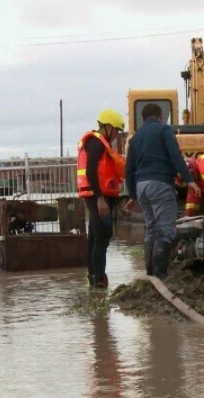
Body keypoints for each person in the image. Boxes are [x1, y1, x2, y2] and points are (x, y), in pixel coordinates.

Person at [123, 103, 201, 279]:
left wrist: (132, 195)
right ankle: (161, 275)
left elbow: (129, 168)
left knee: (151, 229)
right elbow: (175, 155)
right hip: (160, 183)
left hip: (141, 186)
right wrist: (189, 180)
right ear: (160, 117)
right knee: (165, 230)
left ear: (143, 118)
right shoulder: (164, 130)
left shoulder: (135, 138)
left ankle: (150, 272)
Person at [77, 109, 126, 288]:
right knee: (102, 237)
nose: (116, 135)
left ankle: (94, 278)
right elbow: (91, 171)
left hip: (97, 195)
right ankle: (98, 280)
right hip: (98, 196)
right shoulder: (96, 143)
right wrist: (100, 198)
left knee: (95, 238)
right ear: (107, 127)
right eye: (116, 131)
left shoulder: (97, 142)